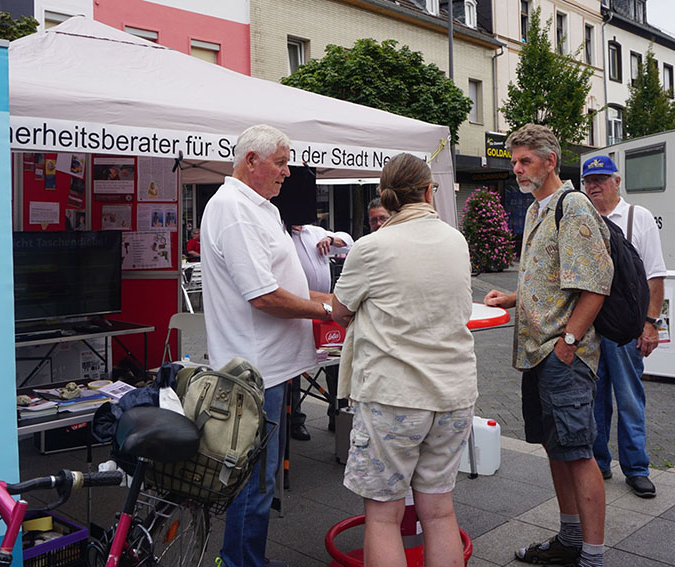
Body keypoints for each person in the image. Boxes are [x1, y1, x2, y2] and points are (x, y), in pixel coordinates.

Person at [332, 153, 477, 567]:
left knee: (383, 515)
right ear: (430, 192)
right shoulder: (456, 240)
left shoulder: (372, 247)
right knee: (439, 510)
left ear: (386, 198)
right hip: (453, 394)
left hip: (394, 397)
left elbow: (341, 311)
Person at [200, 124, 333, 567]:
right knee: (253, 481)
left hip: (271, 369)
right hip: (255, 373)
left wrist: (330, 300)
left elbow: (283, 284)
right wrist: (329, 312)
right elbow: (264, 296)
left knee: (260, 479)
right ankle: (238, 562)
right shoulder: (234, 209)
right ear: (251, 161)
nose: (287, 171)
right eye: (280, 161)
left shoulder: (260, 208)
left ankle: (246, 558)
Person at [484, 124, 612, 567]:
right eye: (514, 161)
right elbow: (557, 279)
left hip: (563, 354)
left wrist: (569, 342)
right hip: (537, 353)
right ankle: (570, 541)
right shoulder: (538, 208)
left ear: (550, 161)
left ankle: (591, 557)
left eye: (524, 161)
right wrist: (515, 297)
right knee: (557, 450)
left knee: (578, 453)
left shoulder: (572, 206)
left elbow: (596, 286)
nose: (516, 169)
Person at [581, 156, 666, 498]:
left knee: (629, 397)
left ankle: (636, 468)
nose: (593, 186)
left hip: (625, 328)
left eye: (600, 179)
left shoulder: (637, 217)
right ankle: (599, 462)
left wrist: (650, 323)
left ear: (617, 181)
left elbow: (655, 274)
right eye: (588, 181)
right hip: (589, 326)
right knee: (594, 398)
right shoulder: (582, 219)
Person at [288, 223, 354, 439]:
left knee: (335, 356)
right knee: (295, 360)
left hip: (324, 305)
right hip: (297, 306)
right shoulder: (281, 232)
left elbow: (347, 242)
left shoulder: (314, 231)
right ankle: (295, 419)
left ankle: (337, 412)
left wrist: (332, 240)